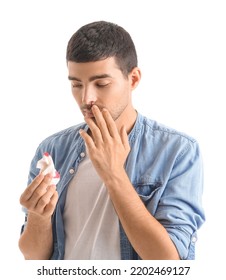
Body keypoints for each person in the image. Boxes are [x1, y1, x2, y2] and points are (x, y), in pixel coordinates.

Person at [18, 21, 205, 260]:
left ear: (134, 79)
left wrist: (114, 174)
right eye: (76, 84)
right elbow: (34, 257)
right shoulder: (52, 150)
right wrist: (38, 216)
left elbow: (170, 263)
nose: (87, 98)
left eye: (101, 84)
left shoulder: (177, 151)